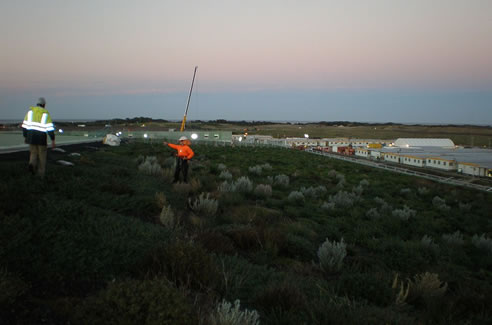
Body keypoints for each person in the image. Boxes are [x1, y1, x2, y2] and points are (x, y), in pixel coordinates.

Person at [22, 97, 56, 178]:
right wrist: (53, 140)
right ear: (44, 105)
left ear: (37, 104)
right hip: (41, 138)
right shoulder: (45, 114)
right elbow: (50, 129)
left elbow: (24, 126)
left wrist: (25, 136)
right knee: (42, 157)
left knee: (33, 154)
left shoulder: (30, 112)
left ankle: (32, 165)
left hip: (30, 137)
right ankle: (40, 175)